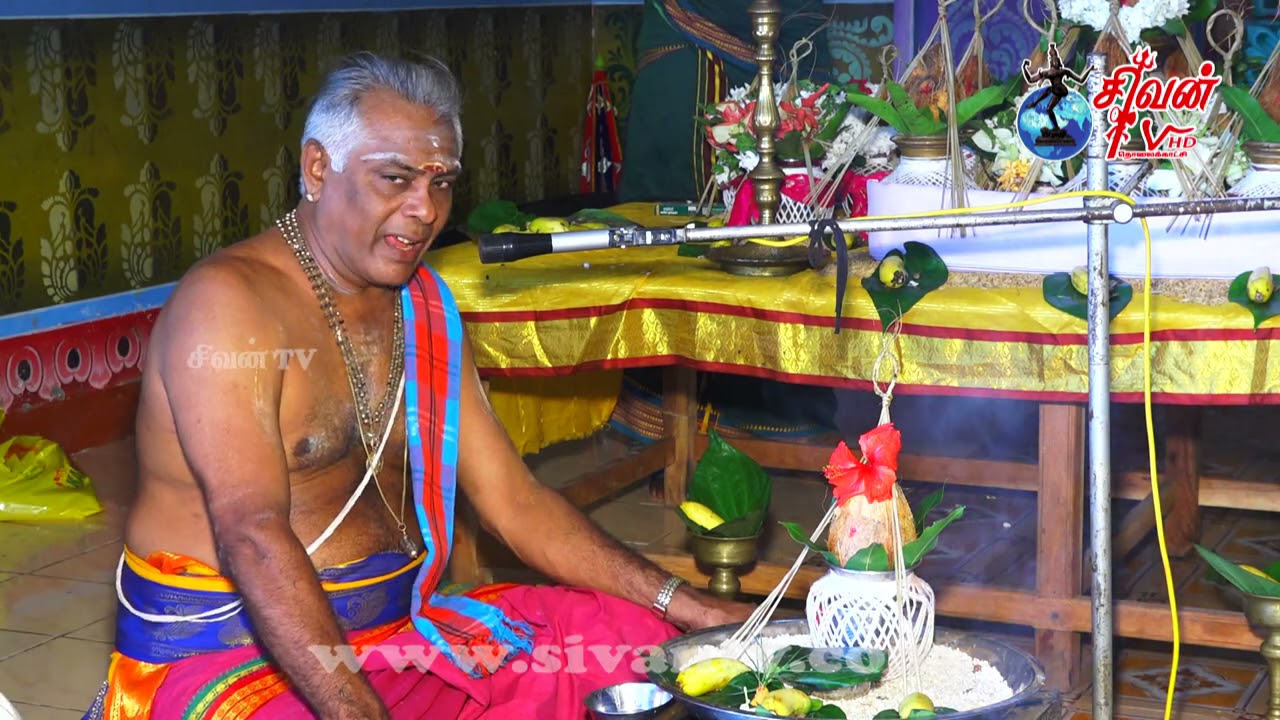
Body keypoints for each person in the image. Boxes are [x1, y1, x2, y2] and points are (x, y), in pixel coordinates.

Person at [84, 51, 753, 720]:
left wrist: (685, 604)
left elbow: (516, 503)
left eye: (441, 183)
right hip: (237, 663)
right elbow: (252, 535)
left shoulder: (422, 303)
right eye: (396, 178)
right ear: (317, 169)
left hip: (402, 635)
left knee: (645, 647)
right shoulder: (229, 305)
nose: (424, 210)